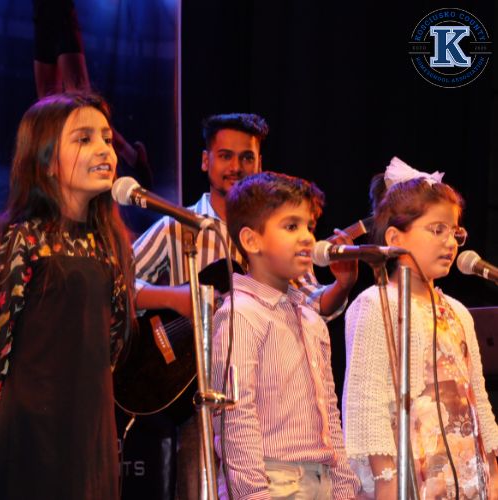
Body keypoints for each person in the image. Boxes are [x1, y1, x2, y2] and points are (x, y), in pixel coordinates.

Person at [133, 113, 358, 499]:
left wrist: (343, 284)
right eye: (226, 156)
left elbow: (315, 303)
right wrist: (176, 298)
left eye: (247, 157)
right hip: (195, 390)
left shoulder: (289, 266)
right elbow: (117, 282)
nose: (236, 166)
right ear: (206, 160)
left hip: (290, 430)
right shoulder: (177, 226)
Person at [0, 92, 135, 499]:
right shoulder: (22, 239)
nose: (104, 150)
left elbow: (112, 344)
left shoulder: (109, 244)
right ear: (46, 160)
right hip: (31, 436)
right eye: (84, 139)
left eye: (107, 139)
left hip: (91, 433)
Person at [341, 157, 498, 499]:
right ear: (395, 237)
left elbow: (478, 397)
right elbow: (366, 404)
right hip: (409, 477)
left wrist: (493, 469)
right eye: (436, 230)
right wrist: (386, 482)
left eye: (454, 232)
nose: (450, 242)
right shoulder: (376, 304)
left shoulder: (457, 311)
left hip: (466, 476)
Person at [211, 171, 361, 499]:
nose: (307, 238)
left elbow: (330, 413)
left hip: (321, 480)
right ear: (251, 241)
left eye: (310, 226)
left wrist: (345, 489)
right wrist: (253, 494)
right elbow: (235, 419)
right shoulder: (242, 314)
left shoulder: (310, 319)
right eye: (292, 226)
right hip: (274, 482)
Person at [32, 0, 152, 188]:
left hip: (62, 17)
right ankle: (62, 176)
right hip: (42, 17)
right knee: (47, 108)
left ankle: (130, 159)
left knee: (84, 108)